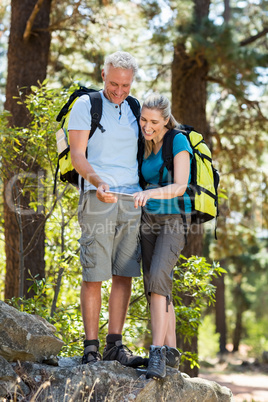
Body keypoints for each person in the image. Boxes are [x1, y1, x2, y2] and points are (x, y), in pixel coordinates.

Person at [68, 51, 146, 367]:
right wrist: (99, 182)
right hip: (97, 196)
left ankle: (115, 344)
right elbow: (77, 155)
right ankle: (91, 347)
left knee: (124, 273)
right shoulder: (86, 105)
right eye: (114, 83)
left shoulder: (135, 108)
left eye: (125, 85)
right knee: (94, 271)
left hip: (132, 200)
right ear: (103, 75)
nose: (119, 90)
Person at [133, 93, 193, 379]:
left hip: (173, 218)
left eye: (154, 121)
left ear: (166, 120)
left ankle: (156, 353)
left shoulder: (177, 140)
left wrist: (149, 193)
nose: (147, 125)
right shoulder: (144, 142)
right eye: (143, 119)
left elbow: (180, 186)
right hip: (148, 219)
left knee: (158, 275)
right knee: (156, 283)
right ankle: (171, 352)